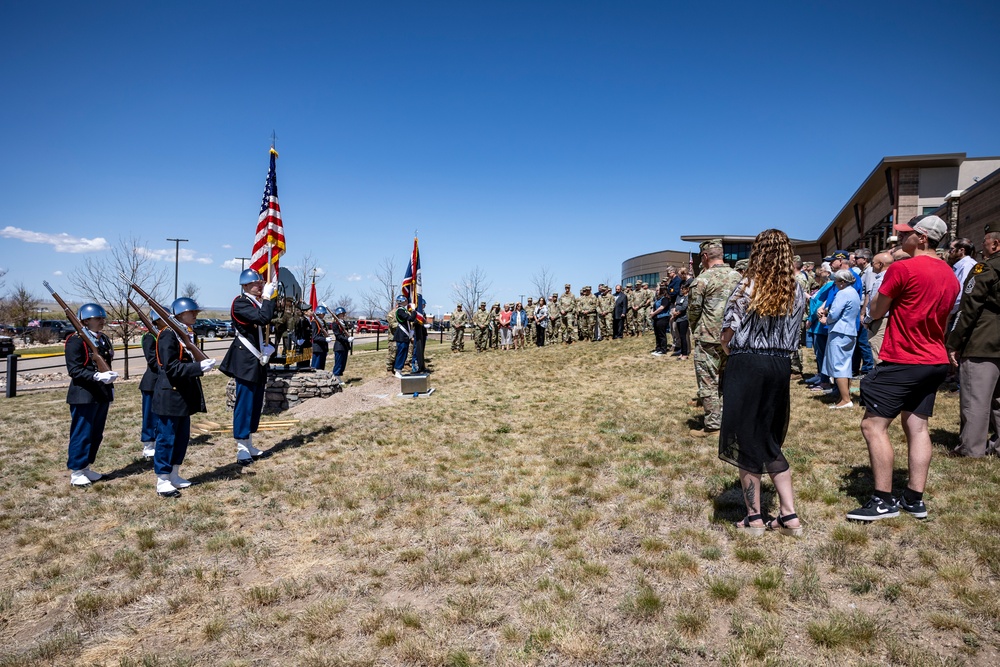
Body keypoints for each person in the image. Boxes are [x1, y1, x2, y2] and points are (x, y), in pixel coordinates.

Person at [848, 215, 960, 521]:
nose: (902, 239)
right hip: (934, 360)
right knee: (917, 426)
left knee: (872, 425)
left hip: (904, 358)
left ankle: (883, 501)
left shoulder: (903, 268)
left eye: (908, 234)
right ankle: (914, 499)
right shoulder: (951, 275)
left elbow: (876, 309)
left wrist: (878, 305)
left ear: (922, 238)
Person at [719, 229, 806, 536]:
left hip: (749, 363)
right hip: (779, 365)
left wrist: (733, 353)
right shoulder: (798, 290)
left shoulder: (746, 286)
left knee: (746, 438)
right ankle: (788, 514)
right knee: (769, 436)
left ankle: (754, 517)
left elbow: (727, 334)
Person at [152, 298, 215, 497]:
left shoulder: (184, 334)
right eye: (191, 312)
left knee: (181, 438)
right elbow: (170, 367)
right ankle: (162, 479)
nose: (195, 315)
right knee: (167, 438)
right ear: (179, 314)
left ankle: (174, 474)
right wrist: (198, 367)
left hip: (183, 395)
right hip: (170, 393)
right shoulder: (168, 335)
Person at [946, 228, 1000, 457]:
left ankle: (970, 448)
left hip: (983, 340)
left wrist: (953, 342)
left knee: (975, 399)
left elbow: (969, 308)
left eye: (985, 241)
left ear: (995, 245)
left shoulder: (985, 268)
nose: (983, 245)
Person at [219, 268, 277, 465]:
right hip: (245, 359)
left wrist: (271, 347)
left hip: (258, 359)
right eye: (255, 283)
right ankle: (241, 447)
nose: (260, 285)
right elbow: (263, 318)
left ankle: (249, 441)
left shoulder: (258, 303)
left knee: (255, 403)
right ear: (244, 285)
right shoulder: (241, 302)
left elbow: (268, 324)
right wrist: (268, 298)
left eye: (261, 283)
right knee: (244, 404)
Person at [688, 239, 741, 437]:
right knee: (730, 380)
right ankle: (730, 419)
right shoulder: (739, 277)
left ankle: (713, 425)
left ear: (704, 256)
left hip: (709, 339)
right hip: (734, 338)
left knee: (709, 381)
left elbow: (693, 310)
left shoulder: (703, 279)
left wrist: (696, 329)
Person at [64, 303, 118, 487]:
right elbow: (75, 370)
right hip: (84, 394)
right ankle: (77, 471)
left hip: (101, 393)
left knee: (96, 433)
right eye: (98, 318)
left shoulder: (102, 339)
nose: (102, 321)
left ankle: (86, 466)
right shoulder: (76, 340)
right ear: (85, 320)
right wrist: (96, 375)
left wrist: (109, 384)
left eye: (102, 318)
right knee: (82, 433)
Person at [820, 270, 861, 409]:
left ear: (842, 282)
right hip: (849, 331)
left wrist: (826, 319)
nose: (835, 284)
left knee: (839, 366)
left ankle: (845, 399)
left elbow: (834, 313)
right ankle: (844, 396)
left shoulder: (843, 293)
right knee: (846, 364)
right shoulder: (853, 292)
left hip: (840, 331)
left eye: (836, 281)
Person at [138, 310, 164, 460]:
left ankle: (158, 441)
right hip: (152, 381)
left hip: (163, 380)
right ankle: (148, 444)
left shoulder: (166, 335)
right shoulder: (149, 337)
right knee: (150, 415)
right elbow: (153, 361)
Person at [864, 252, 894, 363]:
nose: (871, 266)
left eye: (873, 263)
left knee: (878, 356)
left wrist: (867, 320)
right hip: (883, 320)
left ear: (880, 264)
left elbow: (876, 305)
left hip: (879, 321)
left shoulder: (881, 280)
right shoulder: (890, 277)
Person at [948, 237, 978, 316]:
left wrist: (950, 313)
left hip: (958, 313)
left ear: (961, 250)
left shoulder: (968, 266)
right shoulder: (959, 266)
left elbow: (961, 294)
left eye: (952, 249)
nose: (949, 252)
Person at [392, 295, 416, 377]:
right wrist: (414, 311)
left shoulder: (403, 310)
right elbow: (410, 318)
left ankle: (399, 369)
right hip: (401, 334)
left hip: (405, 335)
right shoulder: (400, 311)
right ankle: (397, 370)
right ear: (401, 301)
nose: (406, 301)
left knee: (404, 353)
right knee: (401, 353)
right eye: (405, 300)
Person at [330, 307, 352, 382]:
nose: (343, 315)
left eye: (343, 314)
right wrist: (347, 339)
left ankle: (339, 376)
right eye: (342, 314)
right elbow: (338, 335)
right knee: (338, 363)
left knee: (343, 363)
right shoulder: (335, 324)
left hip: (345, 346)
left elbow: (347, 329)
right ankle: (336, 377)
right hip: (339, 346)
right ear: (338, 314)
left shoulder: (344, 323)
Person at [650, 286, 671, 356]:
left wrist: (654, 313)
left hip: (662, 318)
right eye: (656, 290)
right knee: (657, 334)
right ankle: (658, 348)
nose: (656, 292)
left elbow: (662, 307)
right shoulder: (657, 299)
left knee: (661, 334)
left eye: (658, 290)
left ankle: (663, 349)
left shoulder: (665, 299)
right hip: (656, 318)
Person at [671, 283, 690, 360]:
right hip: (677, 318)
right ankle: (682, 352)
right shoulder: (680, 296)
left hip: (683, 318)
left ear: (687, 289)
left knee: (683, 336)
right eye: (681, 288)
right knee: (679, 336)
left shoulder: (687, 297)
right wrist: (674, 312)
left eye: (683, 288)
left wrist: (677, 313)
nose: (682, 290)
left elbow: (684, 307)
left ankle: (685, 354)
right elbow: (676, 304)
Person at [310, 306, 330, 370]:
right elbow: (315, 337)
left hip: (323, 348)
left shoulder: (322, 322)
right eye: (323, 313)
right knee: (315, 367)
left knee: (321, 367)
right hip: (318, 348)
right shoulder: (314, 322)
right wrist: (325, 339)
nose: (324, 315)